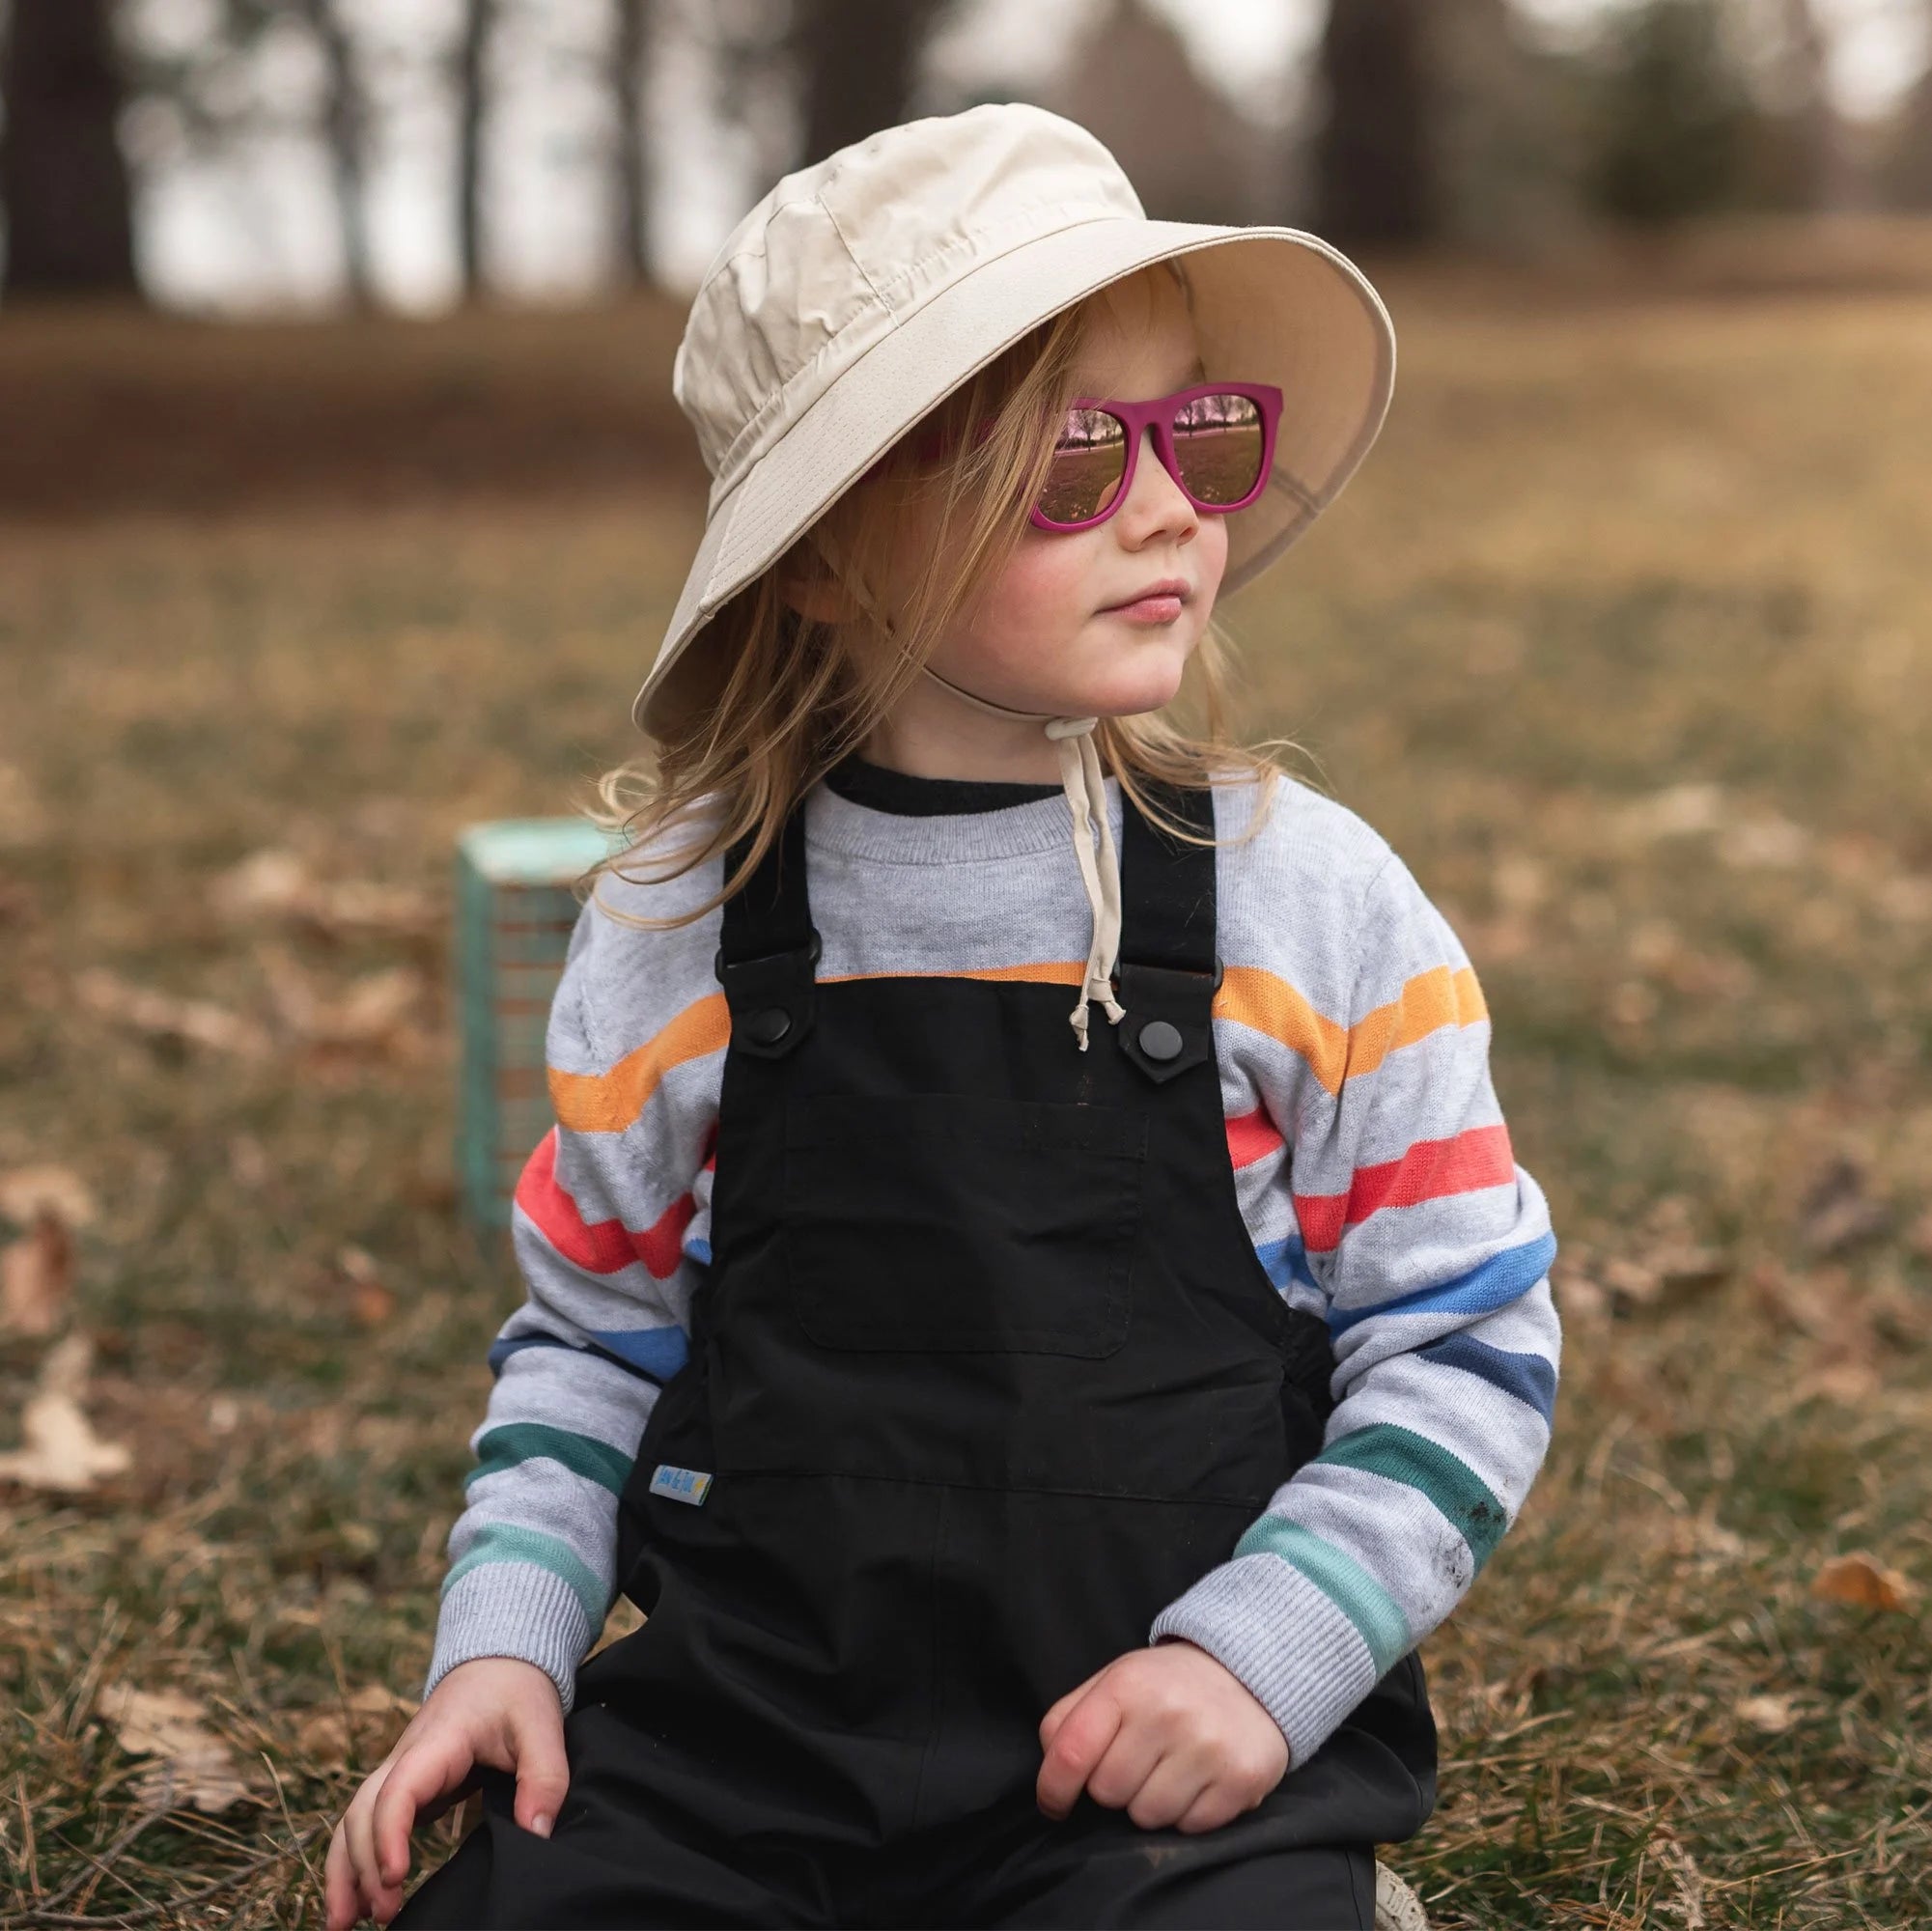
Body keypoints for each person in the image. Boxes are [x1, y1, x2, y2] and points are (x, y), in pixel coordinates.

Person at [325, 102, 1560, 1930]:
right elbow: (589, 1340)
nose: (1160, 505)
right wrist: (501, 1648)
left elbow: (1461, 1334)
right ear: (825, 549)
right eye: (1067, 462)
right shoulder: (676, 923)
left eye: (1193, 435)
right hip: (751, 1755)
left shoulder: (1312, 904)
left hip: (1151, 1773)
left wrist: (1263, 1660)